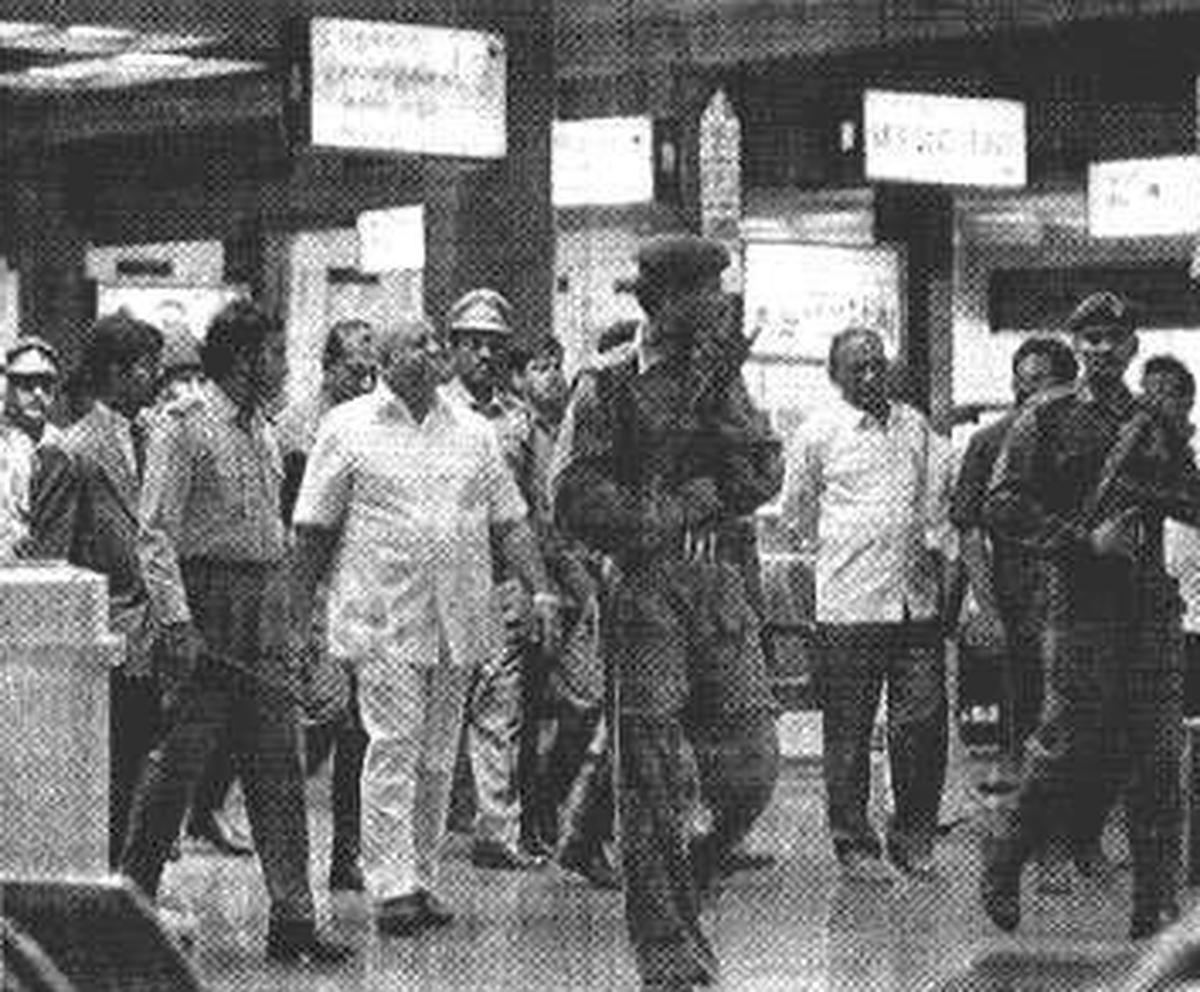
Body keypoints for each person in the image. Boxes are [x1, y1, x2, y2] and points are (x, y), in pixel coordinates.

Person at [554, 234, 782, 991]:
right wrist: (678, 504)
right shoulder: (607, 387)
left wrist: (721, 408)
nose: (719, 304)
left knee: (752, 768)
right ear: (664, 300)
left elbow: (762, 473)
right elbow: (577, 499)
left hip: (720, 593)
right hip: (646, 591)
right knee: (649, 784)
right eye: (704, 292)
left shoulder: (720, 380)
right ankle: (668, 955)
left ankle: (692, 875)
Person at [289, 318, 560, 937]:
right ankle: (390, 885)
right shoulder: (347, 428)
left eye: (438, 342)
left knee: (438, 758)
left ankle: (422, 875)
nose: (436, 351)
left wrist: (539, 586)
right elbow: (312, 531)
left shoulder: (473, 433)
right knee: (393, 744)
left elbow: (510, 522)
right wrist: (298, 619)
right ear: (385, 360)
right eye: (420, 342)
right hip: (382, 617)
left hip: (459, 618)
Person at [118, 300, 350, 964]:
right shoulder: (185, 427)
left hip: (262, 601)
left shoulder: (263, 431)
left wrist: (293, 622)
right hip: (205, 603)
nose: (282, 366)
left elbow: (274, 535)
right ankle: (130, 902)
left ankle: (294, 920)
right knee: (176, 768)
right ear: (244, 358)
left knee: (278, 765)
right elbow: (155, 535)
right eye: (274, 353)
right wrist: (177, 622)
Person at [981, 292, 1200, 940]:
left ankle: (1154, 903)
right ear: (1077, 348)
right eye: (1091, 339)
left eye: (1114, 338)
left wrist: (1157, 491)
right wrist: (1083, 541)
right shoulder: (1045, 419)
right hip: (1081, 603)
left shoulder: (1156, 421)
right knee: (1065, 748)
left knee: (1157, 758)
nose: (1103, 349)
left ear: (1133, 347)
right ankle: (1006, 856)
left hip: (1148, 608)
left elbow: (1192, 497)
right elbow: (1003, 506)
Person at [781, 325, 953, 885]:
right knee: (849, 732)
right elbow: (798, 518)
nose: (874, 375)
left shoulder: (916, 428)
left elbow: (933, 512)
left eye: (879, 363)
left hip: (914, 602)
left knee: (921, 724)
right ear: (835, 376)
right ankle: (854, 843)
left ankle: (914, 837)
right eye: (859, 367)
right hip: (848, 605)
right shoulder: (817, 434)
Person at [23, 314, 163, 868]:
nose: (155, 379)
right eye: (146, 368)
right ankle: (95, 884)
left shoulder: (149, 437)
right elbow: (52, 565)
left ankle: (125, 886)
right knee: (107, 773)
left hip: (149, 636)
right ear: (114, 372)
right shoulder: (71, 452)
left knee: (137, 770)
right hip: (103, 642)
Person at [442, 288, 548, 869]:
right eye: (473, 344)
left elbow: (530, 506)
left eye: (494, 345)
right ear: (454, 349)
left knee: (499, 709)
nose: (484, 355)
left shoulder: (518, 419)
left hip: (499, 579)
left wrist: (535, 585)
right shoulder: (432, 412)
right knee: (436, 708)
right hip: (442, 578)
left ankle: (496, 830)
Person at [508, 334, 617, 887]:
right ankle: (530, 818)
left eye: (556, 365)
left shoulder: (567, 431)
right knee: (524, 713)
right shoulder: (518, 432)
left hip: (573, 582)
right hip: (532, 587)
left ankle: (548, 802)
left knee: (584, 702)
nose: (551, 375)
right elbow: (527, 521)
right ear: (519, 378)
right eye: (538, 366)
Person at [951, 336, 1079, 793]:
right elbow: (969, 532)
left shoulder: (1088, 439)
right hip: (1019, 597)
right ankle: (1031, 821)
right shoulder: (989, 443)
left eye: (1041, 383)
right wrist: (987, 608)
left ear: (1068, 385)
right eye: (1021, 384)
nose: (1029, 394)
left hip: (1084, 598)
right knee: (1027, 703)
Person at [0, 337, 63, 556]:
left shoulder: (66, 446)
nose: (37, 393)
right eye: (26, 383)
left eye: (46, 384)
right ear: (8, 386)